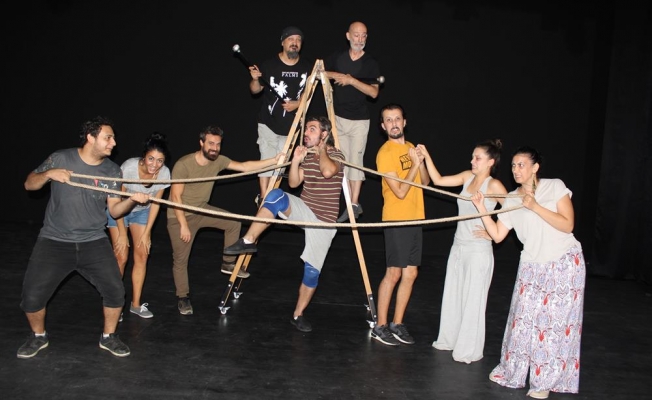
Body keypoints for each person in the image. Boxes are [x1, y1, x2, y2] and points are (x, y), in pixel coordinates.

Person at [18, 116, 150, 359]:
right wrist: (49, 174)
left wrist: (132, 200)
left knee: (115, 291)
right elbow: (29, 184)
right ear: (91, 137)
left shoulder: (112, 170)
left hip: (93, 241)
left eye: (113, 138)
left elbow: (114, 210)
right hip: (54, 240)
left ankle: (109, 336)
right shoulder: (61, 158)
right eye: (108, 138)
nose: (114, 143)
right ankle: (38, 336)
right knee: (32, 296)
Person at [470, 146, 585, 399]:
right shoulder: (512, 199)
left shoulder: (554, 186)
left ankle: (544, 382)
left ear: (535, 167)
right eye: (513, 165)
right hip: (531, 266)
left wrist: (535, 206)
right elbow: (498, 235)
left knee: (552, 326)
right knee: (522, 323)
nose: (516, 170)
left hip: (563, 263)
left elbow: (568, 224)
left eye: (521, 165)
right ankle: (513, 371)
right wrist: (481, 209)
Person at [223, 116, 344, 333]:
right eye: (307, 129)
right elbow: (294, 183)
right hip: (304, 210)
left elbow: (327, 172)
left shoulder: (336, 154)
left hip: (324, 222)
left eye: (312, 129)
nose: (306, 133)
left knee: (312, 272)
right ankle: (248, 240)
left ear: (324, 134)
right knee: (276, 195)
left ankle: (298, 315)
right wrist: (296, 160)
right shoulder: (308, 156)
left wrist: (322, 150)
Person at [167, 125, 282, 316]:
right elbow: (175, 197)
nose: (215, 148)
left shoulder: (218, 160)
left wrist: (273, 161)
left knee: (233, 222)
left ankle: (228, 262)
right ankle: (183, 297)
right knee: (180, 260)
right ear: (201, 143)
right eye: (211, 143)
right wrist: (183, 225)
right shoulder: (184, 164)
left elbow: (244, 166)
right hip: (180, 216)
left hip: (201, 209)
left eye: (218, 144)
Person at [417, 140, 507, 363]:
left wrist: (494, 233)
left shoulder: (494, 185)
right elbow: (438, 180)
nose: (472, 161)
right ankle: (450, 340)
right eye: (473, 156)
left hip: (478, 251)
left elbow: (513, 211)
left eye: (477, 158)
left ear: (490, 162)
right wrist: (426, 156)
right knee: (454, 295)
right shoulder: (467, 177)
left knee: (473, 300)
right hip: (458, 246)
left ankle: (468, 349)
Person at [372, 103, 429, 346]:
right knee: (394, 273)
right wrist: (414, 164)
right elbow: (400, 192)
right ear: (383, 126)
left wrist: (421, 161)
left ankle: (397, 323)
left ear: (404, 122)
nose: (394, 123)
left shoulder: (410, 148)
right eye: (389, 120)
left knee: (411, 273)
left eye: (397, 119)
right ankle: (380, 326)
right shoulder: (385, 153)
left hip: (416, 217)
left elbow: (425, 182)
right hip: (397, 218)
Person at [107, 132, 171, 319]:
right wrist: (122, 233)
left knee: (142, 254)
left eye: (160, 160)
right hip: (120, 210)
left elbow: (156, 204)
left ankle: (135, 305)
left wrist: (147, 233)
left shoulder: (164, 173)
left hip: (142, 212)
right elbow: (117, 201)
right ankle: (115, 305)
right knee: (121, 256)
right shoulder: (128, 168)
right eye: (151, 158)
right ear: (144, 156)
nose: (155, 164)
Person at [249, 26, 312, 204]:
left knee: (280, 165)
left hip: (291, 127)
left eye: (298, 40)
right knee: (266, 159)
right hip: (268, 123)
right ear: (283, 42)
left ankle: (270, 197)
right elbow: (255, 90)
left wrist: (298, 104)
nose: (295, 43)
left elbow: (309, 92)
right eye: (291, 39)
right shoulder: (269, 65)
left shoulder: (306, 66)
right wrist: (255, 79)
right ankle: (263, 197)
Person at [325, 21, 381, 223]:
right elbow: (320, 71)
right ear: (348, 36)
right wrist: (337, 75)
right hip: (338, 118)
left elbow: (374, 92)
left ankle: (354, 203)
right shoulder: (338, 56)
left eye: (364, 35)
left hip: (359, 121)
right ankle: (349, 204)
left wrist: (352, 81)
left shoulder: (370, 62)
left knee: (355, 162)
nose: (360, 39)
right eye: (356, 35)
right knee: (343, 162)